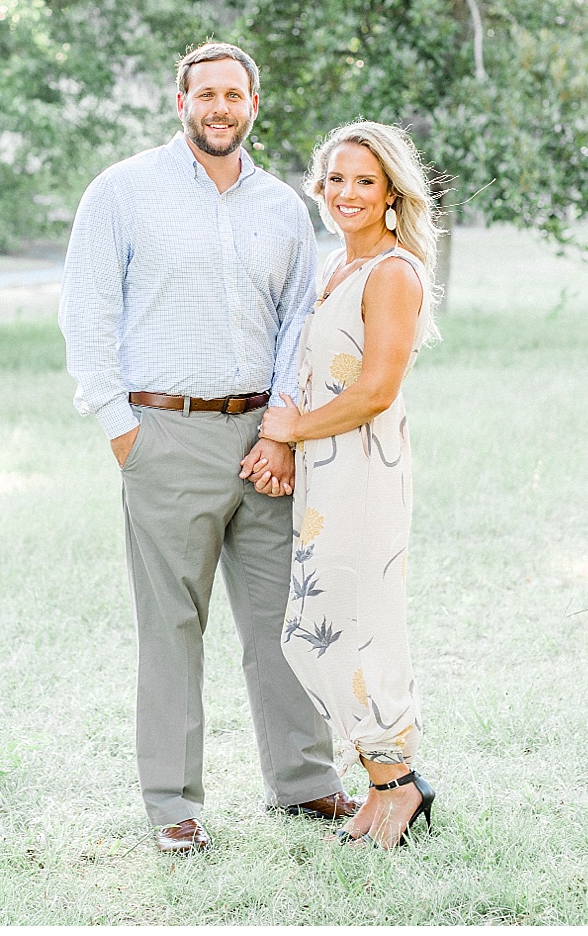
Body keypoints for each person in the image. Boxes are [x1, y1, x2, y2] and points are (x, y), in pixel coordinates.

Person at [58, 42, 359, 855]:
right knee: (171, 627)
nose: (220, 108)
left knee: (282, 622)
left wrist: (283, 426)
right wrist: (123, 430)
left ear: (253, 104)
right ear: (180, 100)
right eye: (206, 94)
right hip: (164, 434)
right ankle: (172, 804)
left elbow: (300, 320)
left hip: (266, 436)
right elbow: (85, 314)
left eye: (235, 95)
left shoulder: (281, 207)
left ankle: (303, 782)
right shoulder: (122, 192)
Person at [258, 121, 440, 851]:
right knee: (317, 632)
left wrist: (290, 429)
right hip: (325, 480)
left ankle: (396, 783)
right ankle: (388, 784)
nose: (347, 192)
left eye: (364, 180)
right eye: (336, 178)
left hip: (365, 473)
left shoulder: (393, 272)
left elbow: (374, 391)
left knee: (344, 632)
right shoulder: (335, 267)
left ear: (391, 190)